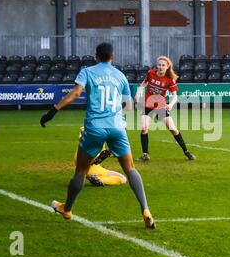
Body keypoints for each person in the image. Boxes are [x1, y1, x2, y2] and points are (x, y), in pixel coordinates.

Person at [40, 42, 155, 229]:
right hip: (117, 127)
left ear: (96, 56)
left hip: (95, 128)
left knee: (81, 171)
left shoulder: (88, 72)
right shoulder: (120, 76)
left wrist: (53, 110)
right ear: (113, 56)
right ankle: (146, 210)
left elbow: (76, 93)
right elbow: (129, 106)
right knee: (131, 169)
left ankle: (66, 209)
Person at [135, 56, 195, 162]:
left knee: (172, 129)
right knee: (144, 128)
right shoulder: (151, 73)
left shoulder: (170, 79)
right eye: (159, 65)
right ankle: (145, 154)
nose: (161, 67)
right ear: (156, 65)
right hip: (148, 105)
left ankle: (186, 152)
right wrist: (138, 92)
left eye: (163, 65)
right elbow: (144, 83)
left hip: (161, 106)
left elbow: (175, 96)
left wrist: (171, 105)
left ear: (167, 67)